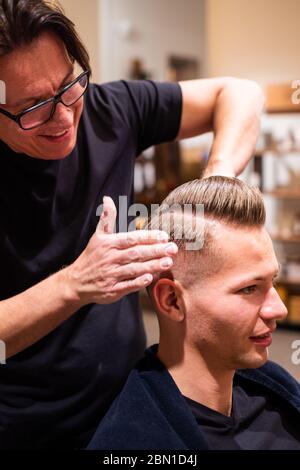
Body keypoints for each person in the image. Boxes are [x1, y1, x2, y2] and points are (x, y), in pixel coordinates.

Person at [0, 0, 264, 449]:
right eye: (34, 108)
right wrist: (76, 284)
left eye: (69, 86)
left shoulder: (109, 111)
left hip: (128, 409)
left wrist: (218, 177)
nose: (64, 118)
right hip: (26, 430)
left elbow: (241, 94)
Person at [88, 176, 300, 450]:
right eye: (249, 289)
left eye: (272, 282)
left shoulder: (276, 392)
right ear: (172, 301)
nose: (278, 309)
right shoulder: (131, 442)